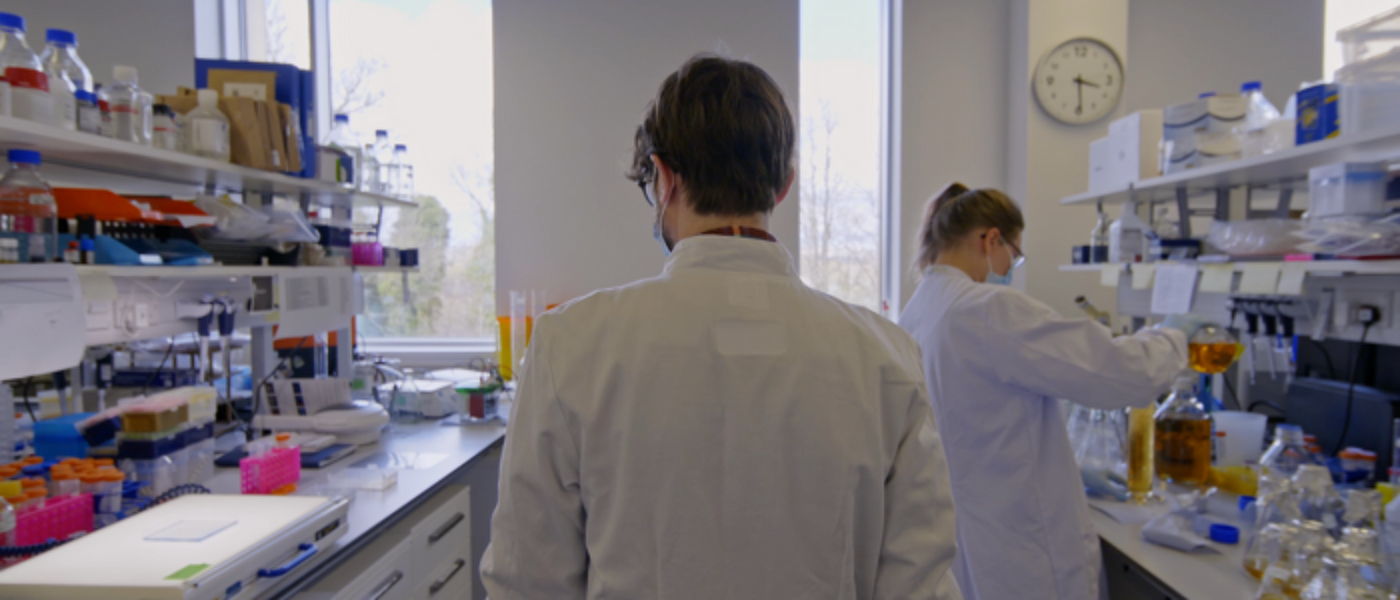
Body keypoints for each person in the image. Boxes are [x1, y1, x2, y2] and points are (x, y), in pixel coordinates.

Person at [482, 54, 961, 600]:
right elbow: (919, 585)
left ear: (662, 179)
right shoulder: (888, 356)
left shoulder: (569, 345)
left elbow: (526, 581)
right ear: (784, 185)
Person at [898, 184, 1202, 600]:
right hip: (1022, 551)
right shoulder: (988, 308)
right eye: (1014, 254)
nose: (1010, 267)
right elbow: (1117, 372)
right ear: (991, 239)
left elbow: (975, 425)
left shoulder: (916, 312)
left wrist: (1070, 468)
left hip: (969, 541)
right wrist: (1172, 337)